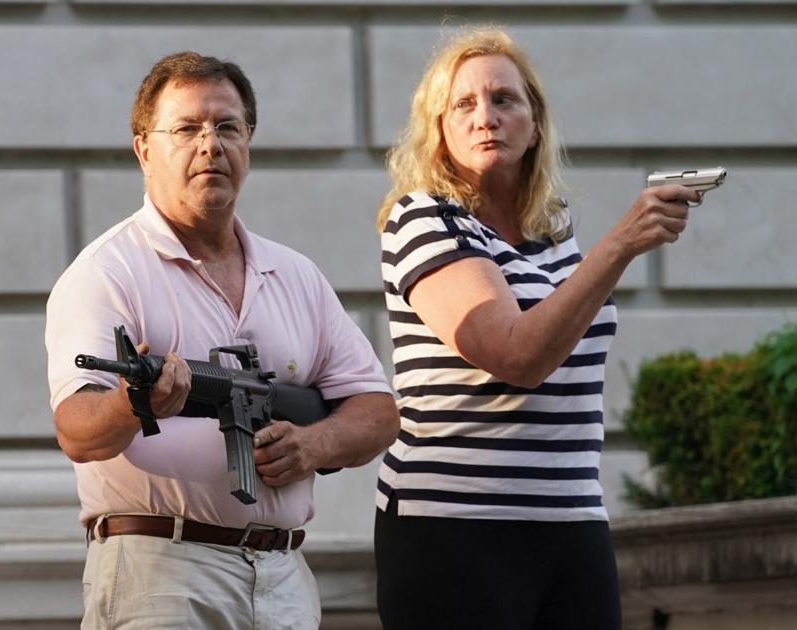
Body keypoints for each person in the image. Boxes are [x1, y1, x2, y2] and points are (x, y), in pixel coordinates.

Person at [45, 51, 398, 630]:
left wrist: (315, 444)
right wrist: (134, 403)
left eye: (227, 127)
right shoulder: (106, 273)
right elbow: (77, 430)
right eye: (186, 129)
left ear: (248, 144)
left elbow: (378, 411)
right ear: (144, 150)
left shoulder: (295, 275)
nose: (210, 145)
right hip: (163, 574)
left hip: (283, 574)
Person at [373, 28, 700, 630]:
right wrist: (620, 245)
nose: (485, 117)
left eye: (504, 99)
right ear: (439, 129)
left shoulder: (552, 230)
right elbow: (515, 355)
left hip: (571, 519)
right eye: (463, 104)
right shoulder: (423, 219)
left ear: (536, 124)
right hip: (454, 526)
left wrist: (605, 251)